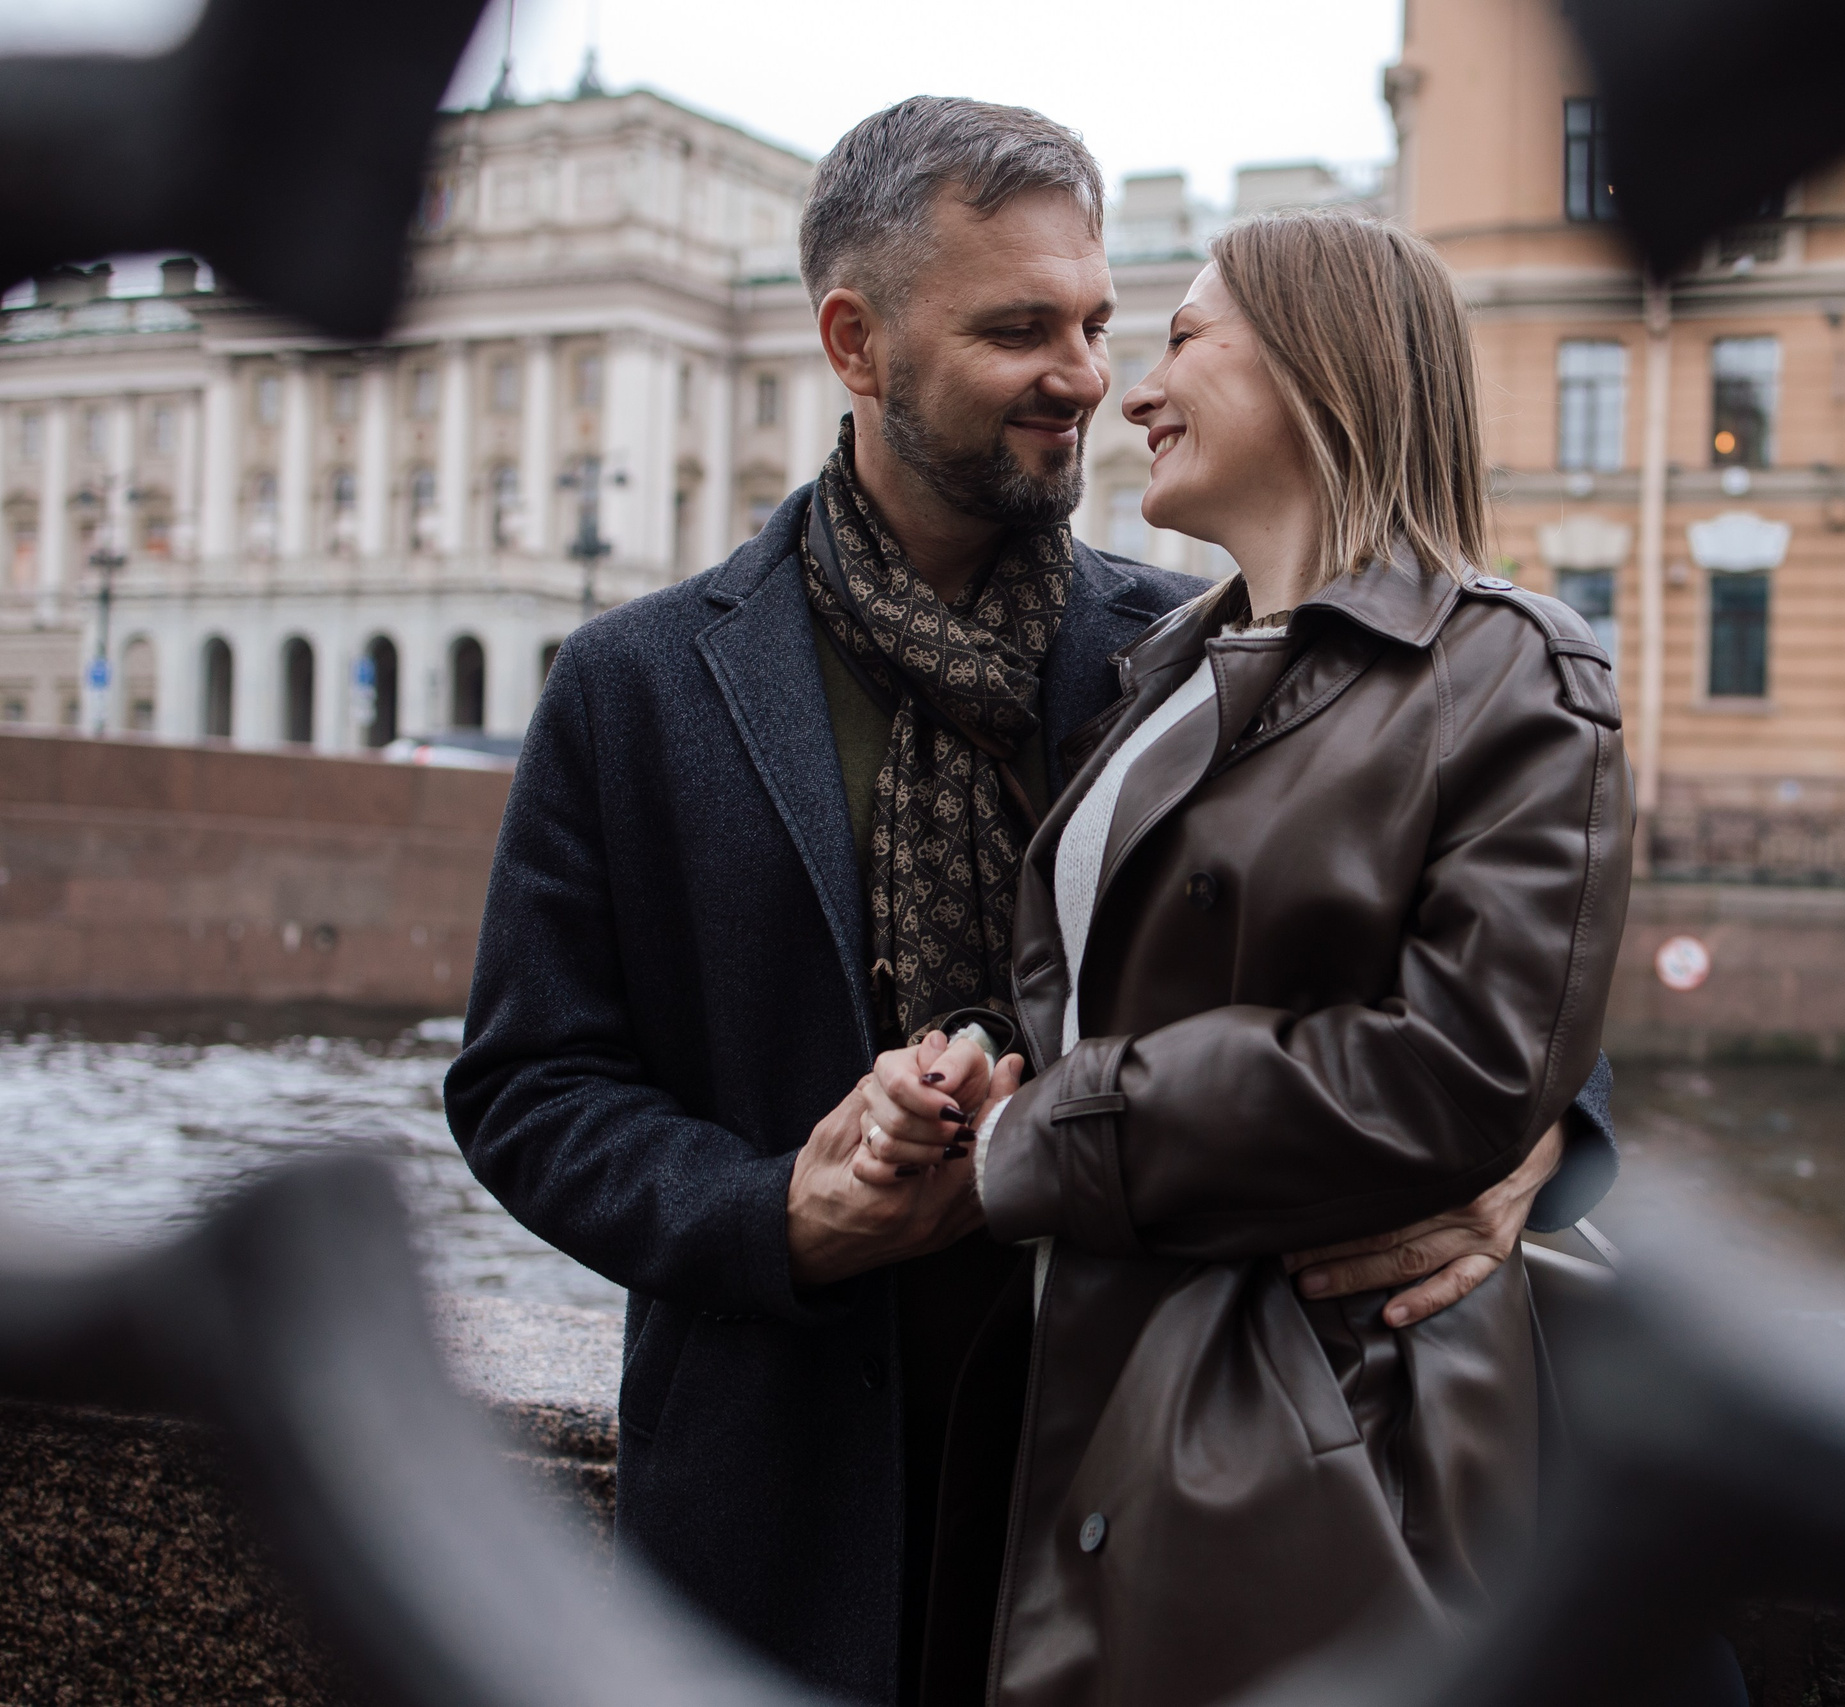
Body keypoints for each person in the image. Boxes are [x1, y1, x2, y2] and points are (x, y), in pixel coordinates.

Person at [444, 97, 1623, 1706]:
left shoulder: (1204, 642)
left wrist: (1529, 1148)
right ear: (855, 344)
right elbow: (528, 1084)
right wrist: (777, 1210)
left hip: (1140, 1470)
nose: (1084, 377)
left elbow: (1490, 966)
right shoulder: (636, 682)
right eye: (1018, 330)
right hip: (779, 1504)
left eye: (1096, 322)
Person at [855, 211, 1633, 1707]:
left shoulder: (1508, 664)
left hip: (1317, 1433)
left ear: (1324, 365)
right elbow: (1101, 989)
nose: (1129, 392)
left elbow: (1467, 1055)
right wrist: (968, 1071)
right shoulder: (1169, 663)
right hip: (1075, 1395)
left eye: (1180, 338)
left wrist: (1043, 1133)